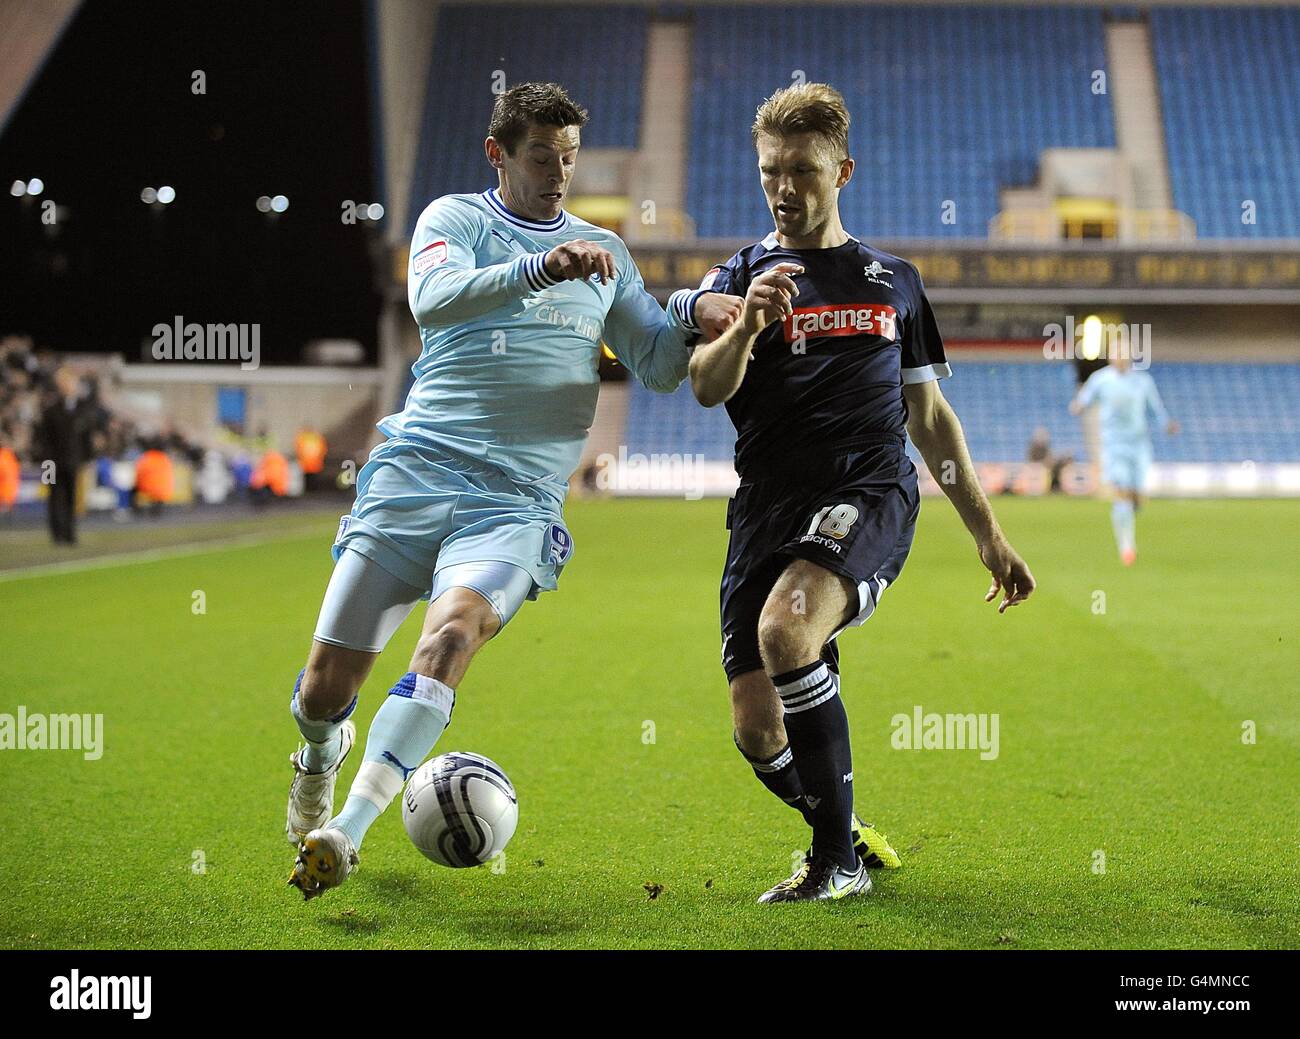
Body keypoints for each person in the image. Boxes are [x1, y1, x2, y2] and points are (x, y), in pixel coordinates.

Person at [285, 82, 742, 899]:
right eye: (542, 157)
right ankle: (320, 755)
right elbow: (432, 297)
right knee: (323, 690)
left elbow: (661, 363)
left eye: (568, 158)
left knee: (453, 634)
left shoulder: (602, 250)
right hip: (416, 473)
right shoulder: (454, 221)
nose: (559, 174)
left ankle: (342, 834)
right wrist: (536, 267)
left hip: (516, 502)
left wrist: (698, 311)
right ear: (498, 154)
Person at [687, 83, 1035, 903]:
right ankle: (842, 837)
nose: (783, 188)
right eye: (771, 170)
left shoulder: (894, 283)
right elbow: (704, 387)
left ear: (843, 170)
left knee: (787, 627)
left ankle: (833, 864)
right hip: (766, 505)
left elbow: (930, 415)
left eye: (803, 171)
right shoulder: (737, 275)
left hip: (868, 486)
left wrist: (987, 532)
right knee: (755, 726)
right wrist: (743, 327)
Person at [1069, 354, 1178, 565]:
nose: (1120, 359)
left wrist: (1166, 423)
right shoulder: (1100, 379)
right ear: (1111, 357)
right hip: (1113, 445)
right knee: (1121, 493)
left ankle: (1133, 508)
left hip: (1138, 445)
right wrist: (1078, 405)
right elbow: (1084, 399)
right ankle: (1126, 546)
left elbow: (1155, 407)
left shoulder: (1142, 381)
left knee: (1136, 496)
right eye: (1117, 355)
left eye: (1124, 355)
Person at [34, 365, 92, 545]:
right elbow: (43, 439)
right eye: (63, 383)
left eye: (69, 382)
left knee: (71, 497)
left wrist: (87, 459)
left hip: (73, 461)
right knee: (54, 497)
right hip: (50, 463)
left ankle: (69, 534)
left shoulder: (82, 409)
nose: (66, 386)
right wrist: (44, 462)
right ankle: (56, 535)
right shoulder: (50, 410)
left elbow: (86, 438)